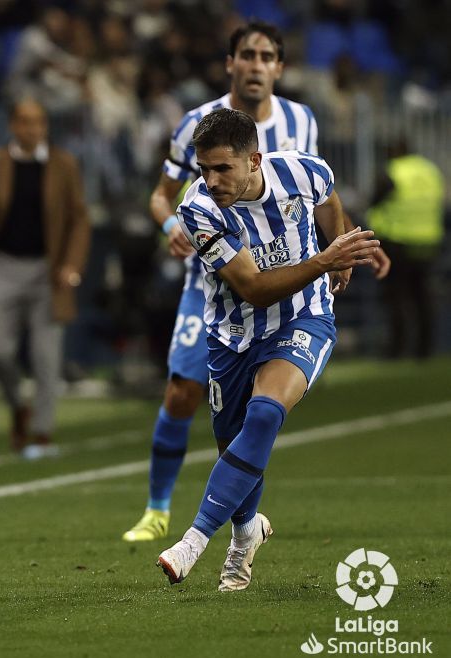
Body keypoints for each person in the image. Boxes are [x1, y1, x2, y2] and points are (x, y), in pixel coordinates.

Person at [123, 20, 389, 543]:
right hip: (215, 282)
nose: (256, 64)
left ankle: (232, 529)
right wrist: (169, 224)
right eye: (247, 54)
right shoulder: (197, 125)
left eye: (267, 56)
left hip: (286, 285)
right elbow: (162, 194)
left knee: (257, 411)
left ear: (279, 68)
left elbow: (317, 191)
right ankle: (157, 510)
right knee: (182, 391)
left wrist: (344, 249)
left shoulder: (300, 120)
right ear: (231, 64)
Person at [155, 108, 380, 590]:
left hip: (303, 318)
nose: (211, 180)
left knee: (263, 416)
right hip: (232, 333)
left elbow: (328, 199)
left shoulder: (302, 169)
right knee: (233, 445)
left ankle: (196, 541)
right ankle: (247, 532)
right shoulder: (197, 210)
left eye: (222, 169)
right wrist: (326, 259)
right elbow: (253, 288)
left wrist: (339, 248)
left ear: (254, 160)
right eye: (204, 169)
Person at [0, 98, 90, 459]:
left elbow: (79, 218)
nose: (33, 129)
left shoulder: (64, 164)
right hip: (2, 267)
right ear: (13, 125)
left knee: (47, 358)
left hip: (48, 271)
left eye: (39, 122)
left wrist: (72, 265)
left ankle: (42, 433)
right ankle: (17, 406)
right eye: (26, 122)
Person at [367, 138, 445, 359]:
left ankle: (397, 347)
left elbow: (375, 202)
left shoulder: (393, 172)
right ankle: (426, 348)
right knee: (424, 296)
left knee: (397, 296)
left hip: (398, 241)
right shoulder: (430, 170)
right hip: (429, 240)